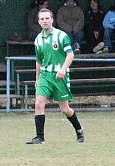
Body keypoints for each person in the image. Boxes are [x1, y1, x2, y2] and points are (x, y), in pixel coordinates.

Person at [25, 7, 84, 146]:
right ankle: (40, 137)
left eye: (47, 18)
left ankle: (79, 129)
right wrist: (37, 78)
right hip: (45, 75)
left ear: (52, 20)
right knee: (39, 103)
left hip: (59, 76)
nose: (45, 21)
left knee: (65, 109)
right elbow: (39, 60)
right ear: (38, 22)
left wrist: (63, 69)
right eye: (42, 19)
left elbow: (70, 54)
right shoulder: (38, 39)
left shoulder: (61, 35)